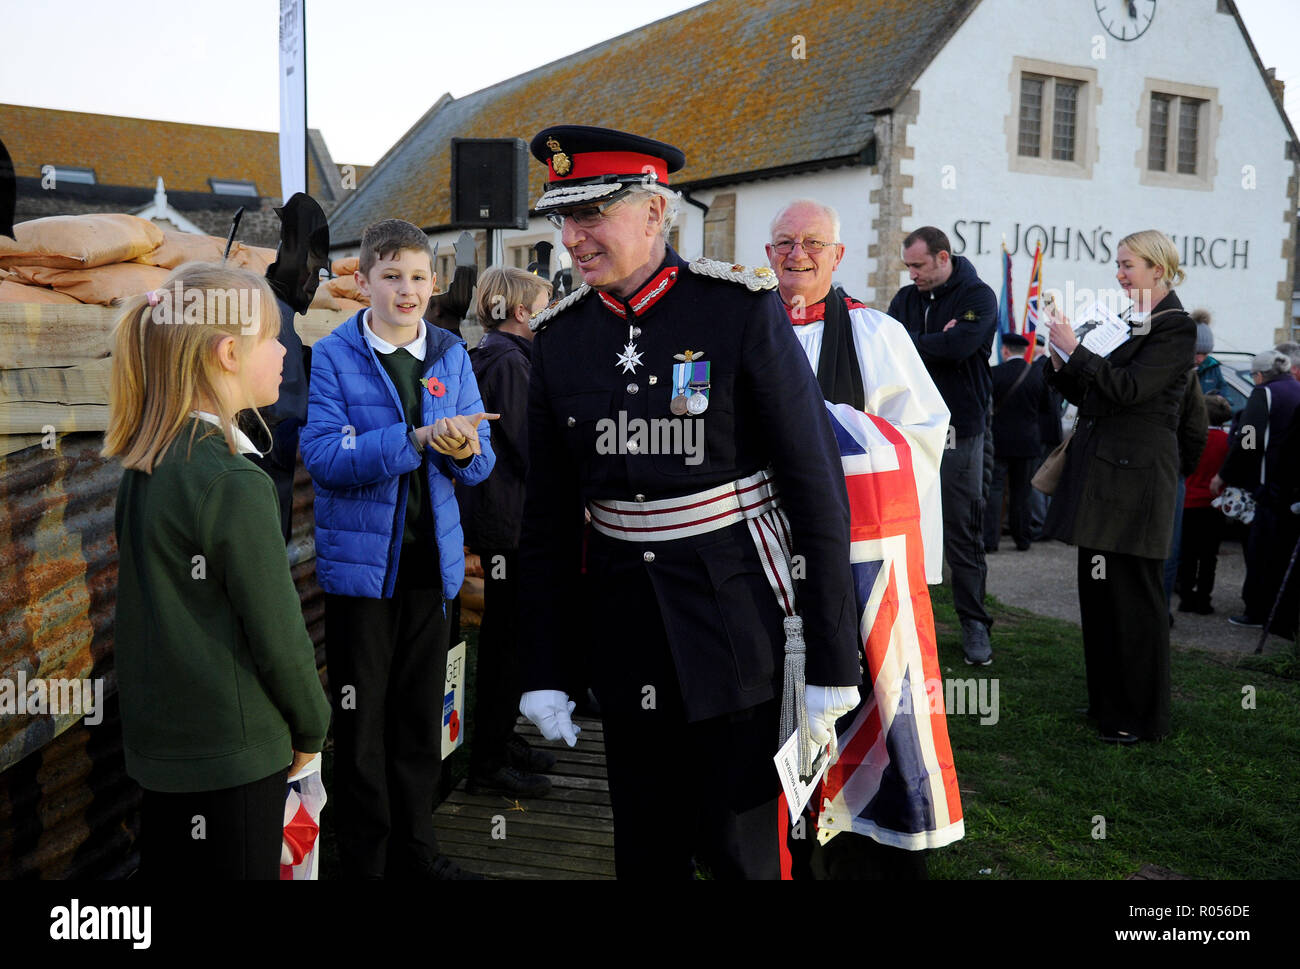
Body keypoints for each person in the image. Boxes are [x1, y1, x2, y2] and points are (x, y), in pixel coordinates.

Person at [516, 126, 862, 880]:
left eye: (592, 215)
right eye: (563, 218)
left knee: (744, 853)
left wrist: (833, 655)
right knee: (645, 849)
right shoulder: (560, 338)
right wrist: (544, 664)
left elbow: (815, 486)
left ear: (654, 212)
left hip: (736, 625)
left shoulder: (736, 310)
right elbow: (546, 520)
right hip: (624, 630)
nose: (572, 238)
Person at [105, 263, 331, 878]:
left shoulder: (147, 462)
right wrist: (313, 726)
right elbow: (280, 635)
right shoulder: (233, 480)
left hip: (166, 750)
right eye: (274, 336)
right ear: (229, 352)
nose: (286, 350)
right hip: (236, 758)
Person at [764, 198, 960, 880]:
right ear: (767, 255)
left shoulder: (876, 335)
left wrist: (834, 432)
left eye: (813, 242)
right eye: (785, 243)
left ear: (838, 255)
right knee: (777, 704)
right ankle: (784, 841)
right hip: (767, 563)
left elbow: (924, 438)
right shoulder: (744, 332)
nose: (798, 255)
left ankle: (858, 836)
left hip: (857, 567)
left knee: (860, 704)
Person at [300, 218, 496, 880]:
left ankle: (418, 853)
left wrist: (466, 447)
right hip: (362, 579)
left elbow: (481, 463)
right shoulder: (332, 354)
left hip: (429, 573)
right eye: (391, 276)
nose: (406, 290)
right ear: (363, 281)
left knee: (420, 721)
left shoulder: (451, 353)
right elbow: (325, 457)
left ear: (433, 284)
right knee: (360, 730)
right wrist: (411, 441)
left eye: (416, 277)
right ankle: (364, 862)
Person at [1044, 229, 1196, 744]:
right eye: (1118, 264)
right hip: (1106, 472)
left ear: (1158, 268)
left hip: (1136, 480)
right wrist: (1061, 362)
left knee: (1134, 601)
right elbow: (1095, 392)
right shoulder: (1133, 321)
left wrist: (1078, 353)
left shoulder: (1175, 328)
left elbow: (1130, 389)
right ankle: (1108, 705)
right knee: (1101, 595)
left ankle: (1141, 717)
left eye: (1128, 264)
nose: (1120, 274)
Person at [458, 266, 555, 797]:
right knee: (506, 643)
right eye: (544, 303)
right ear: (521, 312)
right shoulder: (511, 363)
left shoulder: (495, 354)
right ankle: (489, 761)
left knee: (510, 638)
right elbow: (527, 445)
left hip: (502, 520)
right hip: (509, 524)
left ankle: (501, 739)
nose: (550, 311)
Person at [887, 227, 998, 665]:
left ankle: (974, 623)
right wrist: (933, 342)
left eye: (918, 265)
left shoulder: (979, 296)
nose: (911, 274)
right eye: (908, 266)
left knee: (961, 528)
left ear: (943, 258)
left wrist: (917, 344)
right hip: (908, 428)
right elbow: (889, 351)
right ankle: (906, 620)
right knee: (903, 524)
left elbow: (959, 348)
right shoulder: (905, 299)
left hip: (959, 429)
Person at [246, 192, 330, 541]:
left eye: (320, 274)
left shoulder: (281, 315)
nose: (313, 284)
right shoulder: (264, 313)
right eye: (311, 270)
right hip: (257, 475)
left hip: (272, 478)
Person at [1211, 349, 1300, 638]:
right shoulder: (1295, 389)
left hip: (1266, 484)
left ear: (1259, 375)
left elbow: (1250, 438)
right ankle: (1278, 612)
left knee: (1260, 551)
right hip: (1289, 486)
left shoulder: (1263, 394)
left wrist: (1225, 474)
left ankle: (1257, 612)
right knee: (1281, 552)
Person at [985, 332, 1052, 552]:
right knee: (1021, 492)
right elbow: (1046, 408)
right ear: (1025, 352)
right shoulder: (1037, 374)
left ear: (1005, 351)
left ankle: (990, 541)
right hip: (1027, 443)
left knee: (995, 491)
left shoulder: (994, 373)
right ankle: (1022, 539)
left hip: (1000, 441)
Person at [1177, 393, 1233, 613]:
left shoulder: (1192, 438)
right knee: (1209, 556)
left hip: (1189, 503)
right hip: (1214, 504)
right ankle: (1204, 599)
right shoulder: (1227, 442)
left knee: (1187, 553)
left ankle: (1185, 597)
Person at [1192, 309, 1227, 398]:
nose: (1200, 359)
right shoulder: (1178, 370)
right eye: (1197, 353)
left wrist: (1218, 403)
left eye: (1205, 354)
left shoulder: (1213, 368)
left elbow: (1226, 397)